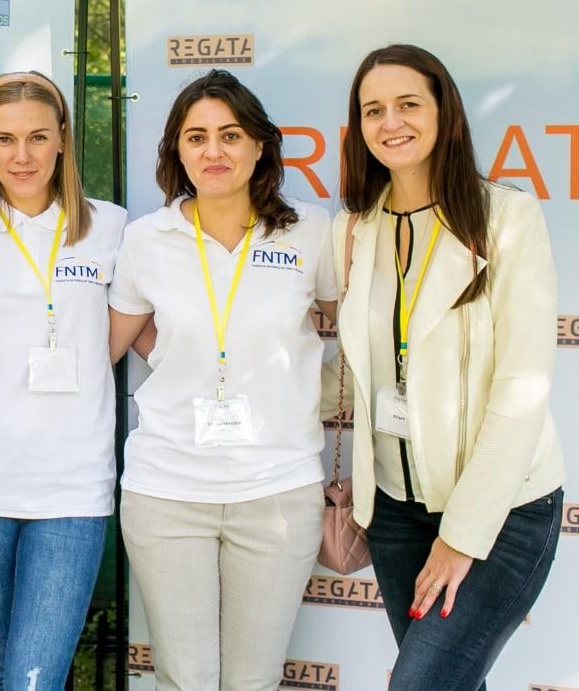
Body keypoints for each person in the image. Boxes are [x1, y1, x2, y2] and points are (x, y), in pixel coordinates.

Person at [334, 44, 564, 690]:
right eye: (373, 109)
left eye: (408, 104)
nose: (391, 122)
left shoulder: (507, 217)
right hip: (394, 514)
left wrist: (462, 535)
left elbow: (521, 388)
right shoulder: (354, 228)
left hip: (502, 509)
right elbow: (362, 366)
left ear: (445, 114)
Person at [108, 69, 337, 691]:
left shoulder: (311, 231)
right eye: (197, 137)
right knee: (185, 679)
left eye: (231, 135)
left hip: (278, 487)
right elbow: (114, 342)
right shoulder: (146, 240)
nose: (214, 151)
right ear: (177, 151)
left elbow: (356, 327)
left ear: (260, 145)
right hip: (167, 490)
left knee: (252, 681)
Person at [0, 71, 125, 691]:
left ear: (63, 138)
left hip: (72, 489)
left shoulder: (112, 229)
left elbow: (132, 334)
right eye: (4, 139)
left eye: (38, 137)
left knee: (34, 679)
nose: (22, 156)